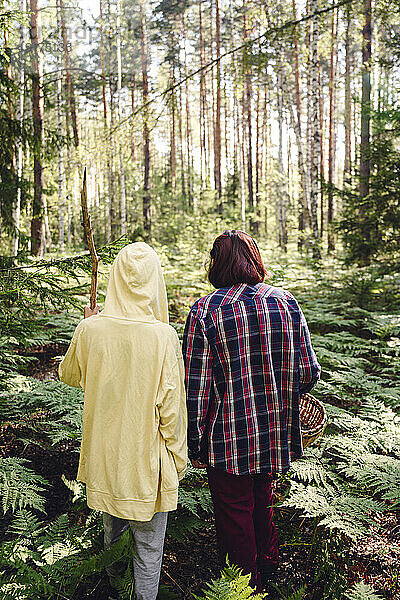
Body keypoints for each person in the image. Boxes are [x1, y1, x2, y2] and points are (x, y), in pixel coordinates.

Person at [182, 230, 320, 592]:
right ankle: (270, 568)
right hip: (273, 433)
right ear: (254, 260)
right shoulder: (286, 303)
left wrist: (194, 444)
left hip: (226, 438)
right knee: (262, 499)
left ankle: (245, 587)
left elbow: (194, 389)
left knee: (233, 513)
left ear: (216, 264)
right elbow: (308, 372)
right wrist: (279, 392)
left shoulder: (205, 311)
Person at [59, 242, 187, 600]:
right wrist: (177, 461)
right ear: (155, 281)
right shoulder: (163, 337)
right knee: (147, 551)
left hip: (104, 460)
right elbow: (172, 411)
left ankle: (113, 588)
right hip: (146, 464)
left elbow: (68, 375)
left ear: (114, 276)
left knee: (111, 537)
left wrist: (86, 323)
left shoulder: (92, 330)